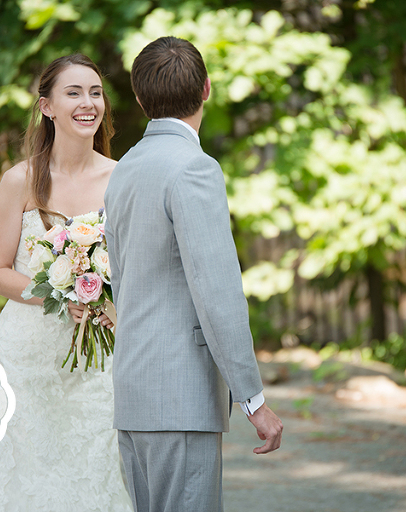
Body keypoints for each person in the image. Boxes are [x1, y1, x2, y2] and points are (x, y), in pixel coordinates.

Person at [103, 36, 283, 512]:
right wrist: (253, 400)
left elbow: (121, 281)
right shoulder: (194, 169)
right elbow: (217, 292)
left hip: (134, 390)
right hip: (180, 396)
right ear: (206, 89)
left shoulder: (124, 169)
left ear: (140, 99)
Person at [0, 54, 133, 512]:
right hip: (29, 355)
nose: (88, 103)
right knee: (27, 474)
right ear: (47, 107)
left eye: (96, 93)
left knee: (96, 467)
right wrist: (57, 294)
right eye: (74, 93)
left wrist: (104, 297)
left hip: (99, 354)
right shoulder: (20, 180)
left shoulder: (121, 180)